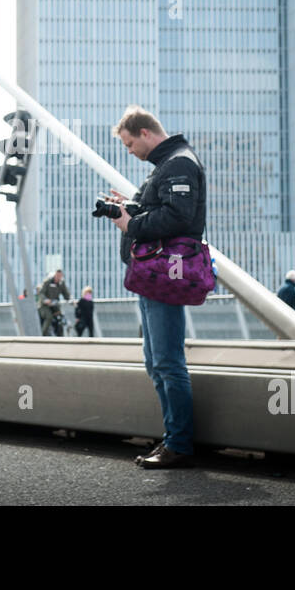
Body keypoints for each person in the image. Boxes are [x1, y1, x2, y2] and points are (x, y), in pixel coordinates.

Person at [106, 105, 205, 470]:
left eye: (130, 144)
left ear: (145, 133)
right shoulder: (167, 166)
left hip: (166, 274)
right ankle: (172, 438)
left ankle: (178, 443)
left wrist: (130, 222)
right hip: (152, 275)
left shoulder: (178, 162)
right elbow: (163, 209)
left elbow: (178, 216)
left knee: (167, 361)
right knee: (155, 361)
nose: (129, 151)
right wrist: (128, 206)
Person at [35, 270, 70, 336]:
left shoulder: (61, 283)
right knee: (49, 317)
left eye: (60, 276)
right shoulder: (47, 282)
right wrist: (45, 300)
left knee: (60, 319)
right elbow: (41, 293)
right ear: (55, 275)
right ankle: (42, 335)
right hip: (44, 305)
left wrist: (70, 298)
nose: (58, 278)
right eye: (57, 276)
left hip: (54, 305)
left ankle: (60, 336)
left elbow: (66, 294)